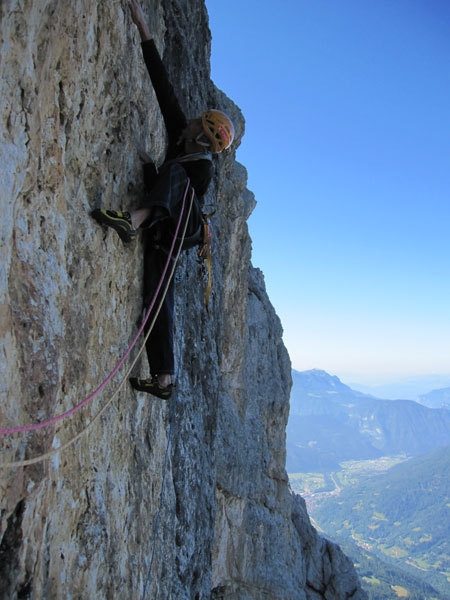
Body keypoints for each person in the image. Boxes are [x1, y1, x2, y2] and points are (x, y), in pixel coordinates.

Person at [92, 0, 234, 399]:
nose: (187, 120)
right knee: (157, 304)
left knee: (176, 175)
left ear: (203, 136)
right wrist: (142, 27)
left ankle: (131, 221)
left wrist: (156, 173)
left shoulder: (200, 168)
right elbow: (163, 85)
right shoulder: (181, 135)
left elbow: (183, 187)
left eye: (196, 122)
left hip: (175, 230)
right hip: (165, 231)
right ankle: (165, 381)